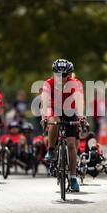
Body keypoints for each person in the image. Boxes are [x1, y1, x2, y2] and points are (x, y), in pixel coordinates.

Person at [41, 58, 87, 192]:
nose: (61, 78)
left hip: (70, 111)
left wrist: (81, 116)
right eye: (58, 75)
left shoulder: (76, 83)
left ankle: (73, 177)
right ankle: (51, 150)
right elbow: (44, 101)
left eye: (65, 75)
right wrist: (44, 117)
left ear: (69, 75)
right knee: (53, 120)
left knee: (72, 145)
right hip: (54, 110)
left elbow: (79, 101)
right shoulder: (48, 83)